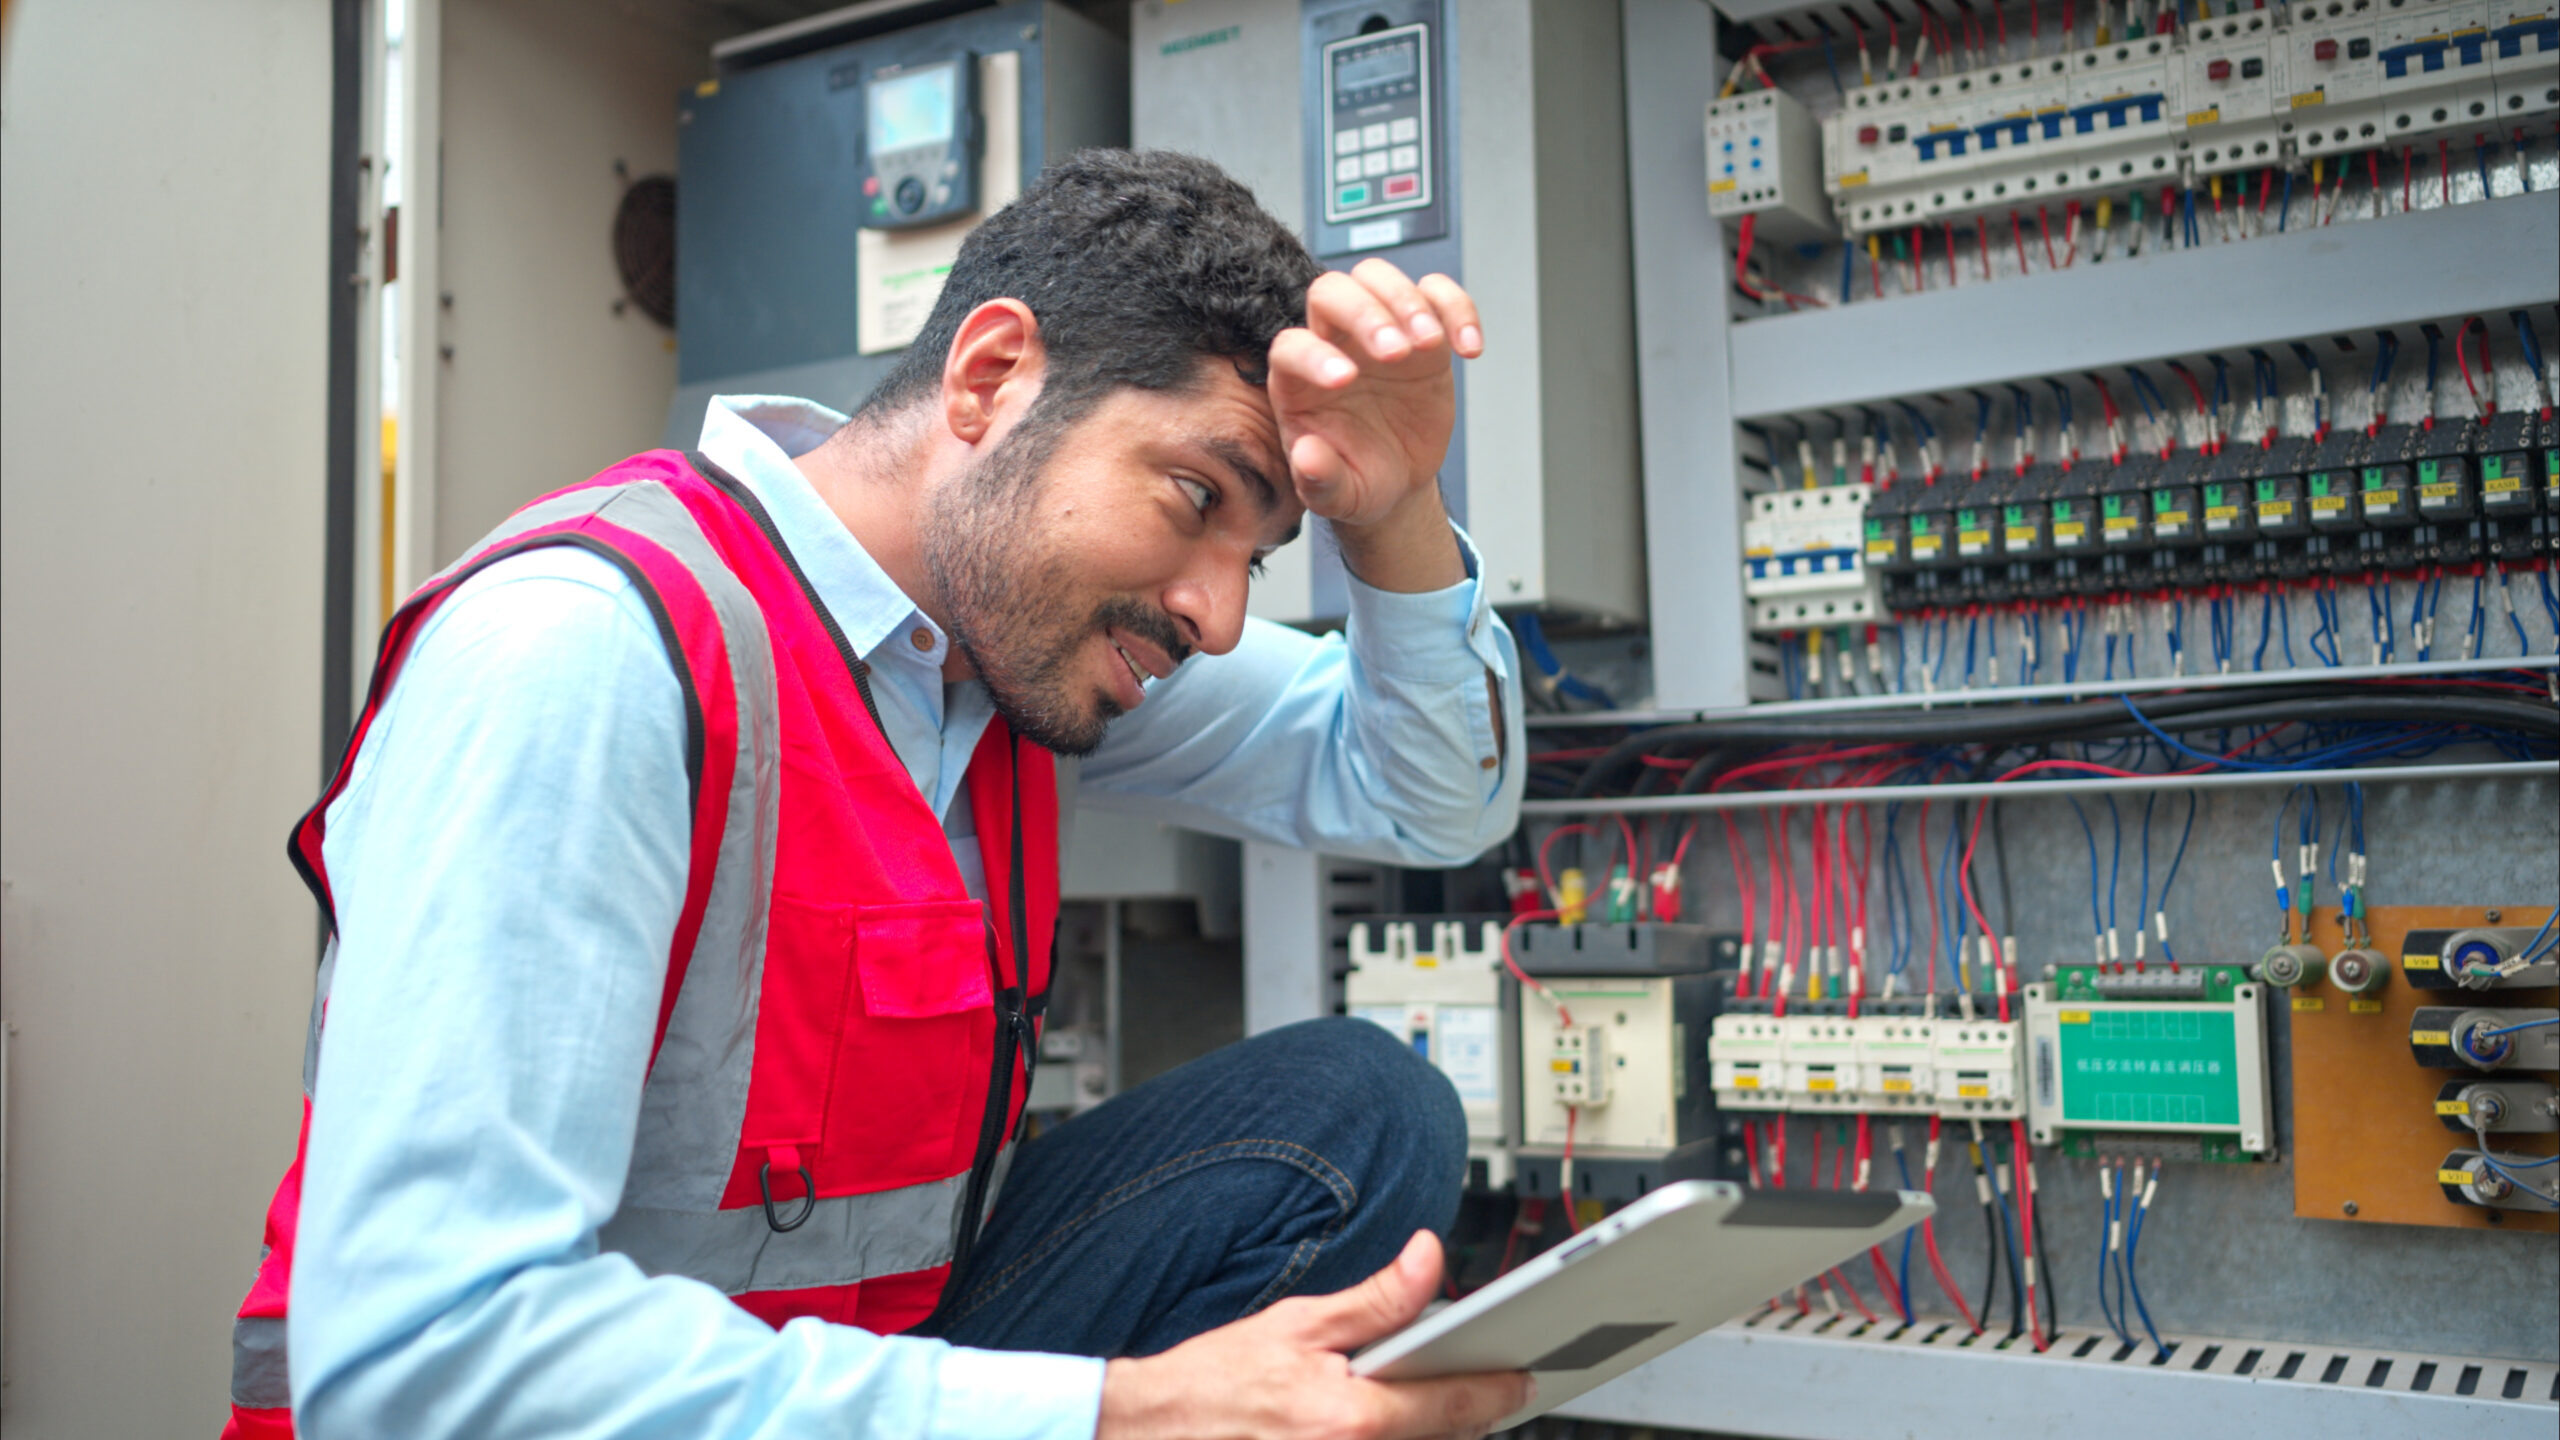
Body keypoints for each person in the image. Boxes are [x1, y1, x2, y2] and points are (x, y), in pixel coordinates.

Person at [223, 149, 1531, 1440]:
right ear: (991, 376)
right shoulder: (590, 651)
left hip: (854, 1377)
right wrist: (1121, 1417)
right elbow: (417, 1363)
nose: (1221, 613)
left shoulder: (1012, 648)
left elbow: (1427, 797)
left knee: (1364, 1111)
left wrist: (1394, 506)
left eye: (1255, 550)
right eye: (1197, 498)